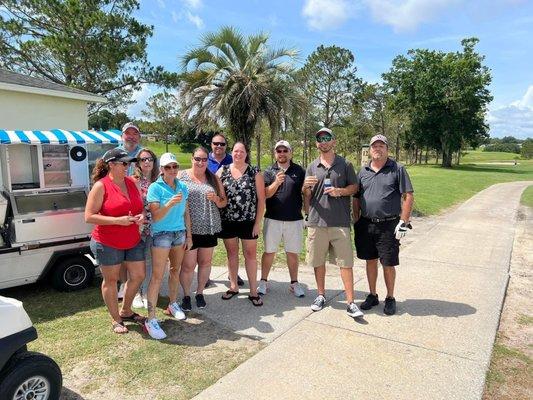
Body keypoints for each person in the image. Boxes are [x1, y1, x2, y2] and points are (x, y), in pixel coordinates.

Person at [303, 127, 363, 318]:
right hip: (317, 221)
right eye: (320, 139)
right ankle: (320, 295)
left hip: (340, 222)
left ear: (334, 142)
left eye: (327, 138)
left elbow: (354, 187)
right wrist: (305, 188)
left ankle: (351, 302)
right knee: (318, 261)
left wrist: (340, 191)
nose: (324, 141)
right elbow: (307, 197)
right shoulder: (312, 166)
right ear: (316, 144)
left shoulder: (345, 164)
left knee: (345, 263)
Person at [85, 148, 146, 334]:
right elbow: (89, 216)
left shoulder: (132, 182)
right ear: (111, 164)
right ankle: (116, 319)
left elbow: (140, 207)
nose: (128, 167)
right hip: (107, 242)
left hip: (133, 238)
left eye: (129, 163)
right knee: (111, 280)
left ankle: (126, 310)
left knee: (138, 276)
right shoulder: (101, 186)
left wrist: (141, 216)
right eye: (124, 163)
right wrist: (117, 221)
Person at [352, 134, 414, 316]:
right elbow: (356, 196)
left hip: (388, 225)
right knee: (370, 261)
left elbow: (408, 195)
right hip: (366, 224)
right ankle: (372, 295)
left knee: (387, 263)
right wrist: (356, 218)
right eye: (374, 146)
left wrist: (404, 221)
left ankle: (390, 297)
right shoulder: (363, 171)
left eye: (381, 146)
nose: (377, 149)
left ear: (387, 149)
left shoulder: (397, 169)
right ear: (370, 150)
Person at [144, 153, 192, 340]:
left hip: (179, 234)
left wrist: (189, 234)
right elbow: (155, 216)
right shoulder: (155, 188)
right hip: (162, 234)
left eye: (175, 166)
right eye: (168, 167)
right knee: (157, 276)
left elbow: (186, 213)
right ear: (162, 170)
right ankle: (151, 318)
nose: (172, 170)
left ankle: (172, 304)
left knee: (175, 270)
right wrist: (170, 202)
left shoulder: (182, 187)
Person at [217, 142, 266, 306]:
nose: (238, 154)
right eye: (235, 151)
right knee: (231, 254)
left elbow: (261, 199)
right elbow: (213, 187)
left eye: (241, 151)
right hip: (228, 221)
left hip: (248, 221)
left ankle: (253, 290)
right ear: (232, 153)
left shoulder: (254, 172)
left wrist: (257, 222)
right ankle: (233, 286)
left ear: (246, 153)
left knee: (250, 255)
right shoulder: (223, 171)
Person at [179, 147, 227, 311]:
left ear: (208, 160)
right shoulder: (182, 176)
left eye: (204, 159)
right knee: (188, 265)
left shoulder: (213, 178)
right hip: (188, 228)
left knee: (205, 262)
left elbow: (223, 202)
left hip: (208, 225)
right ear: (192, 158)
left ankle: (200, 293)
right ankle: (186, 295)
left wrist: (215, 199)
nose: (200, 162)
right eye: (197, 159)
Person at [258, 140, 306, 297]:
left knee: (292, 253)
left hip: (295, 219)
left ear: (290, 153)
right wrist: (276, 182)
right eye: (279, 151)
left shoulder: (299, 170)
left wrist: (308, 212)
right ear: (275, 153)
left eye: (285, 150)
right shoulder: (269, 171)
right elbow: (265, 194)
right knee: (269, 251)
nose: (282, 153)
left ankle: (294, 283)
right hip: (273, 218)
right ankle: (264, 281)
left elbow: (305, 193)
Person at [206, 133, 244, 287]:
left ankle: (233, 274)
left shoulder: (232, 159)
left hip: (230, 208)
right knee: (208, 245)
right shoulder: (204, 160)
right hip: (209, 207)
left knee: (232, 246)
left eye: (222, 144)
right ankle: (205, 275)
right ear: (211, 144)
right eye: (216, 143)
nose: (219, 146)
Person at [116, 122, 142, 299]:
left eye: (134, 134)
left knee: (137, 249)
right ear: (122, 136)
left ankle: (137, 287)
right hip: (119, 206)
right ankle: (124, 285)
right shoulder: (113, 154)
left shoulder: (144, 154)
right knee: (121, 250)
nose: (131, 137)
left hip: (140, 206)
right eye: (128, 134)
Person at [131, 148, 159, 309]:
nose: (147, 162)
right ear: (138, 163)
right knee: (135, 261)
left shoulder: (158, 181)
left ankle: (146, 292)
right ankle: (135, 293)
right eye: (143, 159)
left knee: (149, 261)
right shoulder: (133, 181)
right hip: (137, 228)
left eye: (149, 159)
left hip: (155, 228)